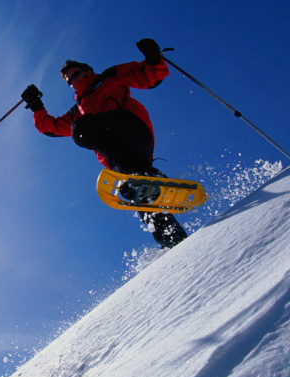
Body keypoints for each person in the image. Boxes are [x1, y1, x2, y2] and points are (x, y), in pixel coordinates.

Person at [21, 38, 188, 248]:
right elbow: (50, 128)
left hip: (132, 131)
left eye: (76, 75)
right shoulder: (78, 110)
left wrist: (153, 59)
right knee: (141, 198)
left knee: (82, 127)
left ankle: (145, 177)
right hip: (121, 158)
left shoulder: (109, 78)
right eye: (69, 81)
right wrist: (36, 105)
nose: (73, 81)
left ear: (88, 71)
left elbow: (148, 77)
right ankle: (175, 242)